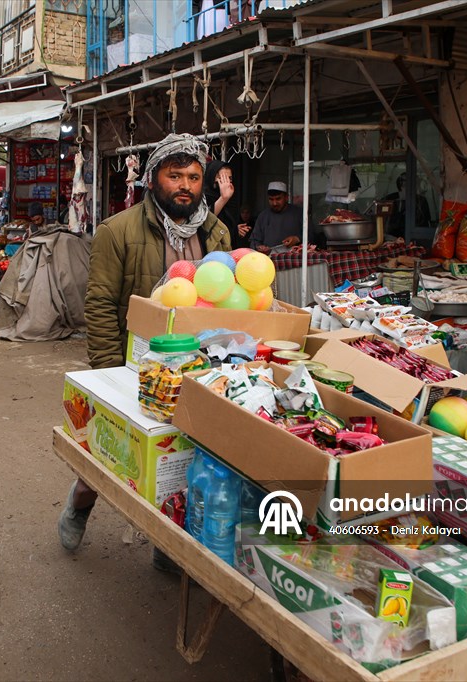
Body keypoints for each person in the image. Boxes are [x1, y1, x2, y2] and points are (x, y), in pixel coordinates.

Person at [59, 133, 231, 565]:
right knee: (108, 450)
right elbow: (98, 303)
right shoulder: (117, 231)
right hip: (131, 367)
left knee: (182, 460)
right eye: (175, 176)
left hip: (195, 370)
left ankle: (167, 547)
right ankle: (80, 502)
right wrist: (106, 372)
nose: (185, 186)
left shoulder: (218, 232)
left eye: (193, 176)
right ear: (153, 179)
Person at [249, 181, 303, 253]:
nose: (274, 203)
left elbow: (311, 236)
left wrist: (297, 239)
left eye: (278, 199)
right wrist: (258, 247)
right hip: (268, 260)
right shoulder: (263, 216)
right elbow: (254, 240)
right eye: (271, 199)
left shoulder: (299, 213)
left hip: (294, 260)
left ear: (286, 197)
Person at [203, 159, 244, 248]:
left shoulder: (231, 197)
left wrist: (234, 229)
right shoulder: (202, 197)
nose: (226, 183)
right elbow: (205, 220)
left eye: (229, 178)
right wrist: (223, 198)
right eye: (222, 178)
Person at [383, 172, 433, 237]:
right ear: (401, 186)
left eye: (416, 184)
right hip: (393, 236)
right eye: (406, 185)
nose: (415, 188)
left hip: (416, 236)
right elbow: (385, 223)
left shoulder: (421, 201)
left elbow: (426, 222)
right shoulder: (389, 199)